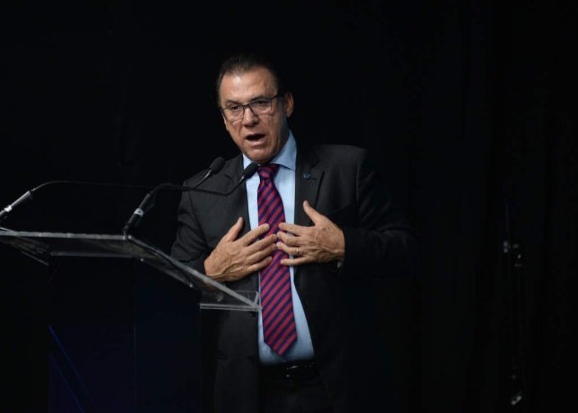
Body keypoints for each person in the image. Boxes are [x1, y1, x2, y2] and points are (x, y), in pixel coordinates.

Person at [170, 51, 418, 413]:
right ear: (223, 119)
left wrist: (344, 246)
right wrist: (209, 272)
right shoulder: (201, 192)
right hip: (247, 394)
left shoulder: (347, 168)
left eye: (260, 103)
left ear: (286, 103)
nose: (248, 119)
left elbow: (407, 250)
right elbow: (170, 291)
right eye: (234, 108)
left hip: (338, 387)